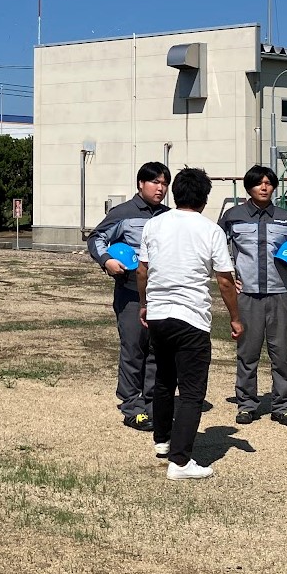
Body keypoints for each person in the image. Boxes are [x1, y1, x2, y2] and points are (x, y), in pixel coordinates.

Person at [136, 167, 242, 480]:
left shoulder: (154, 224)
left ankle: (163, 441)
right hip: (191, 316)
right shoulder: (211, 230)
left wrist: (144, 304)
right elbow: (225, 280)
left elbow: (142, 271)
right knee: (193, 391)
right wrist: (235, 318)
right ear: (204, 198)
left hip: (158, 314)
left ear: (175, 192)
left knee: (164, 380)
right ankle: (181, 462)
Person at [218, 164, 287, 426]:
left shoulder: (286, 218)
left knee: (281, 353)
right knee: (247, 353)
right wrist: (228, 276)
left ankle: (282, 406)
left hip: (279, 295)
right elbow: (214, 247)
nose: (264, 188)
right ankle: (246, 405)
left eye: (269, 183)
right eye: (258, 183)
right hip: (247, 296)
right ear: (248, 187)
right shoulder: (233, 217)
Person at [87, 161, 170, 431]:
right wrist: (107, 261)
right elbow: (96, 238)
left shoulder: (169, 216)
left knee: (158, 351)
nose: (160, 188)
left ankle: (152, 403)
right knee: (134, 349)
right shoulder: (123, 213)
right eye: (155, 182)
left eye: (164, 183)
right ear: (140, 184)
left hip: (162, 295)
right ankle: (132, 406)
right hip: (131, 293)